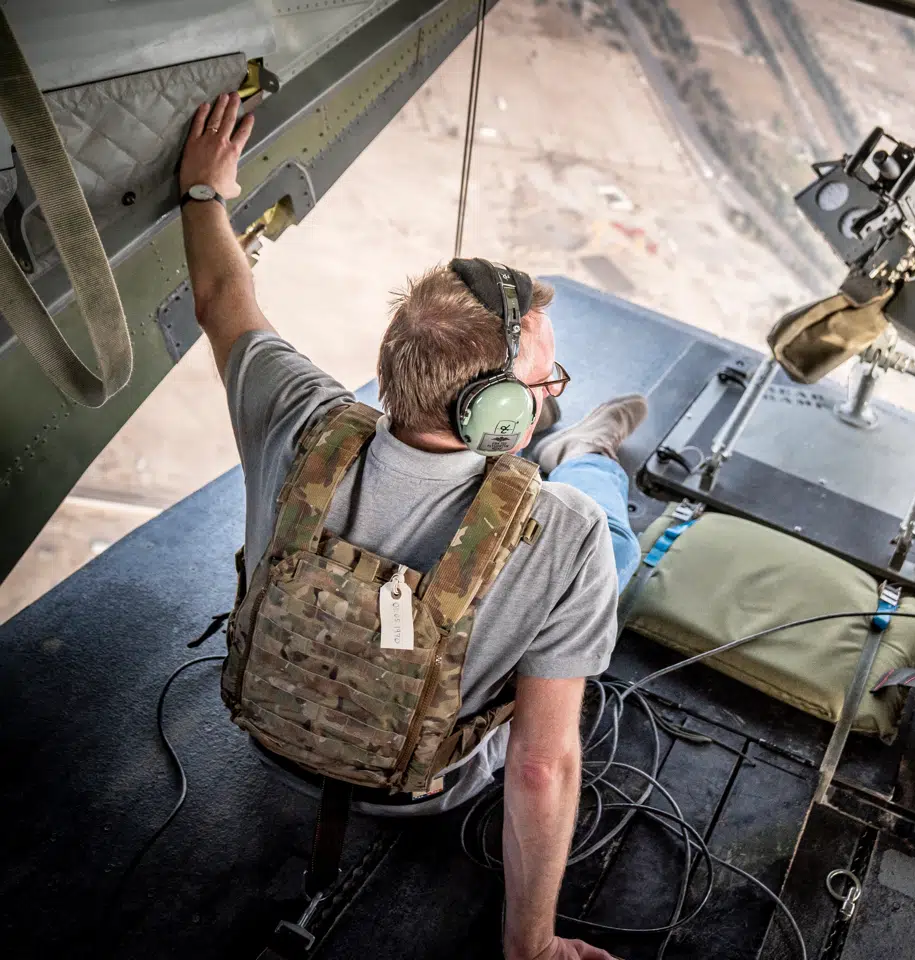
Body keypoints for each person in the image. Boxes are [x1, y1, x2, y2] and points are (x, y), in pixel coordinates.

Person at [179, 92, 642, 960]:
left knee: (568, 526)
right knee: (612, 540)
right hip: (424, 792)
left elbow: (219, 295)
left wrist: (204, 193)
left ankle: (587, 449)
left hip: (266, 743)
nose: (550, 386)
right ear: (498, 412)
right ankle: (593, 453)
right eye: (547, 384)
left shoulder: (296, 417)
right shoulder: (566, 535)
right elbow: (542, 768)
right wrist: (532, 947)